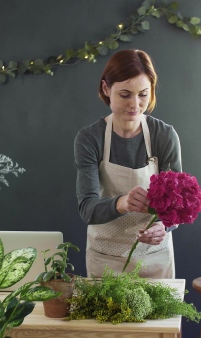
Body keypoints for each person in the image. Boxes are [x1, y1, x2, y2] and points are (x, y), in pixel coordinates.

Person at [74, 49, 182, 278]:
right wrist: (123, 203)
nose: (135, 104)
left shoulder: (164, 136)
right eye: (125, 95)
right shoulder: (89, 139)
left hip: (154, 260)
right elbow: (87, 209)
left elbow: (177, 205)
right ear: (106, 89)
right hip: (105, 262)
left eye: (143, 94)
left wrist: (164, 226)